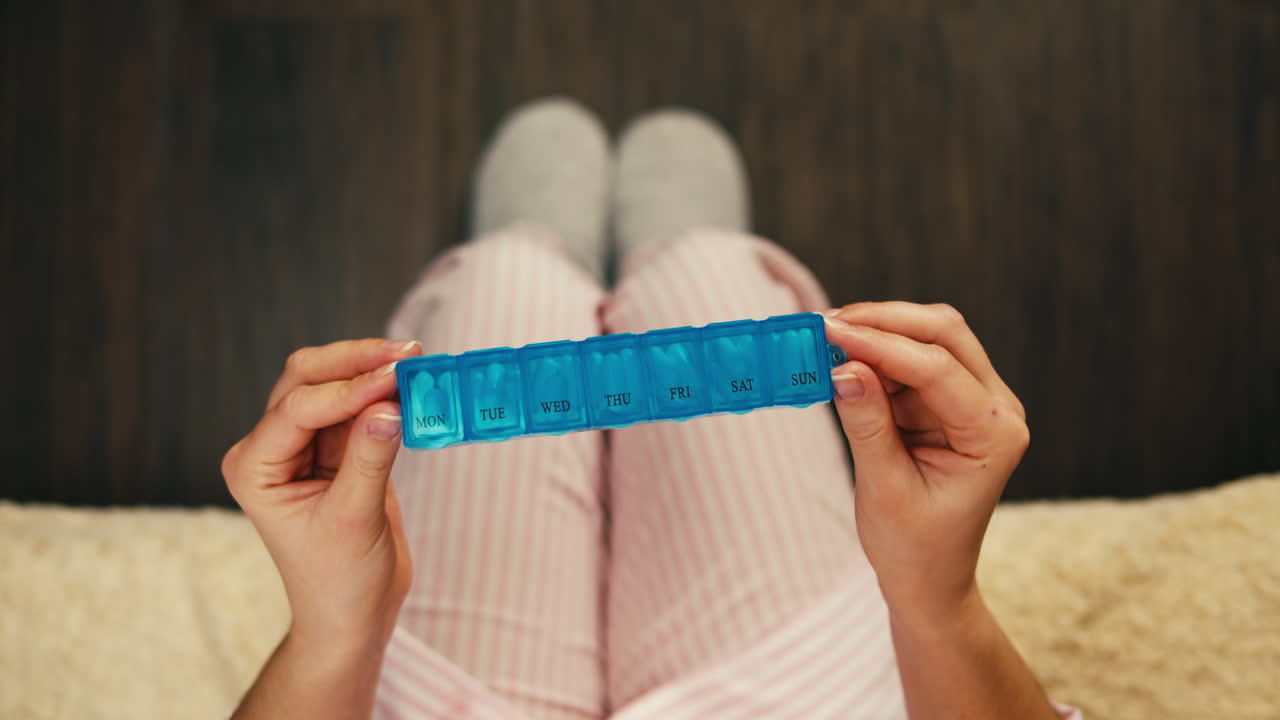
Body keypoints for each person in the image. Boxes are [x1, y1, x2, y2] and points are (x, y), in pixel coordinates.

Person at [222, 99, 1080, 719]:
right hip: (798, 696)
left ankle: (540, 251)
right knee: (699, 282)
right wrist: (937, 596)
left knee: (510, 287)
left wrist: (337, 627)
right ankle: (665, 253)